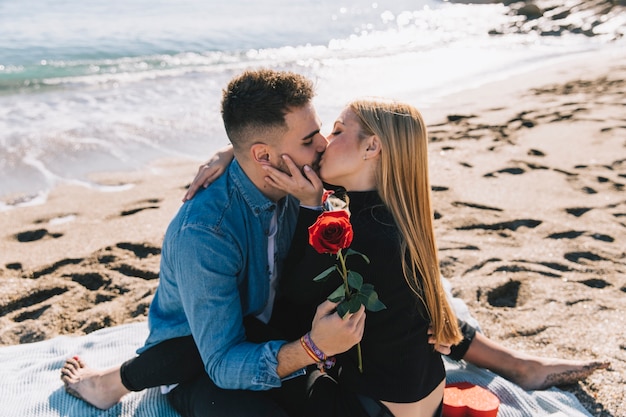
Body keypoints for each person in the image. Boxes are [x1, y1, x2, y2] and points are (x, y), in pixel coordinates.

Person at [62, 69, 366, 416]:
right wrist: (311, 349)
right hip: (195, 359)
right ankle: (109, 384)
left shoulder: (298, 185)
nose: (323, 144)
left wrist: (230, 151)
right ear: (263, 157)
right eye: (309, 139)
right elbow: (222, 363)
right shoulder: (206, 232)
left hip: (266, 331)